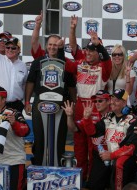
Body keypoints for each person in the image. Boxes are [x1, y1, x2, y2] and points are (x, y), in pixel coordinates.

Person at [62, 28, 112, 182]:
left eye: (93, 50)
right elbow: (65, 62)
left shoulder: (104, 67)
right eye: (87, 50)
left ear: (99, 52)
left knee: (95, 147)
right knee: (79, 145)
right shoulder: (79, 64)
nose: (89, 53)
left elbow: (107, 61)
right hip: (80, 105)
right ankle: (81, 179)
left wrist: (99, 46)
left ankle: (94, 180)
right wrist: (58, 49)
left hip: (96, 107)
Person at [25, 34, 76, 166]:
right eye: (50, 44)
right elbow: (30, 82)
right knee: (40, 138)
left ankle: (58, 167)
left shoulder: (66, 63)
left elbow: (71, 87)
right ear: (46, 46)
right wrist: (26, 102)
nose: (52, 47)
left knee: (59, 138)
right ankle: (37, 168)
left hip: (61, 105)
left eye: (55, 45)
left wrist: (74, 104)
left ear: (59, 47)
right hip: (40, 103)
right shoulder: (38, 61)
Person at [81, 89, 137, 190]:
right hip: (109, 157)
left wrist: (111, 155)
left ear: (124, 103)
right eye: (112, 99)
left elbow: (131, 148)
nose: (112, 102)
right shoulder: (107, 117)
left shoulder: (134, 120)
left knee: (120, 162)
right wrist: (86, 119)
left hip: (125, 158)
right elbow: (93, 133)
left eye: (117, 100)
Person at [63, 90, 111, 189]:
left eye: (100, 101)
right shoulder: (90, 115)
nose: (97, 104)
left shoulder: (115, 113)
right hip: (99, 157)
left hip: (114, 155)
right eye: (95, 101)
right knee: (94, 185)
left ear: (109, 101)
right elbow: (74, 128)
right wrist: (69, 116)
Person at [0, 86, 30, 190]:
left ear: (4, 100)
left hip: (14, 161)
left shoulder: (14, 113)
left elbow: (26, 131)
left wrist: (14, 123)